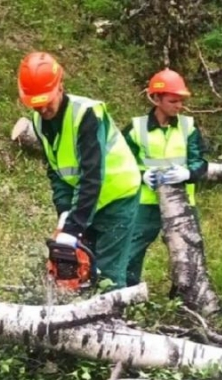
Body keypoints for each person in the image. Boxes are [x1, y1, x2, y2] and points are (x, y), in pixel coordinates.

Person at [17, 51, 141, 289]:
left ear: (60, 86)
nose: (42, 109)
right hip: (85, 201)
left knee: (108, 274)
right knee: (82, 271)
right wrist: (65, 213)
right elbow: (56, 171)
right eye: (36, 104)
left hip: (117, 195)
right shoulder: (38, 121)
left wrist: (74, 227)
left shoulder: (86, 115)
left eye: (46, 102)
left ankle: (112, 319)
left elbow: (91, 176)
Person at [123, 69, 209, 287]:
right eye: (173, 101)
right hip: (146, 203)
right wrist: (142, 175)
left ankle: (185, 301)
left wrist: (188, 173)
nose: (179, 106)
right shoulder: (136, 128)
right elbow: (121, 162)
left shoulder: (188, 127)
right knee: (130, 252)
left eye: (181, 101)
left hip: (182, 205)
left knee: (189, 255)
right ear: (157, 98)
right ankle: (125, 295)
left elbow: (200, 162)